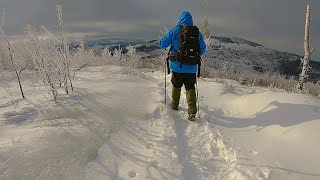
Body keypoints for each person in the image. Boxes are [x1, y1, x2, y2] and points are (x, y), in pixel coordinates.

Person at [159, 11, 206, 121]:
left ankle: (175, 104)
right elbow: (202, 49)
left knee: (176, 85)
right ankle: (192, 111)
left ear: (179, 20)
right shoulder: (197, 33)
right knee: (190, 87)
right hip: (192, 67)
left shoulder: (174, 31)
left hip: (177, 66)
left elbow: (162, 44)